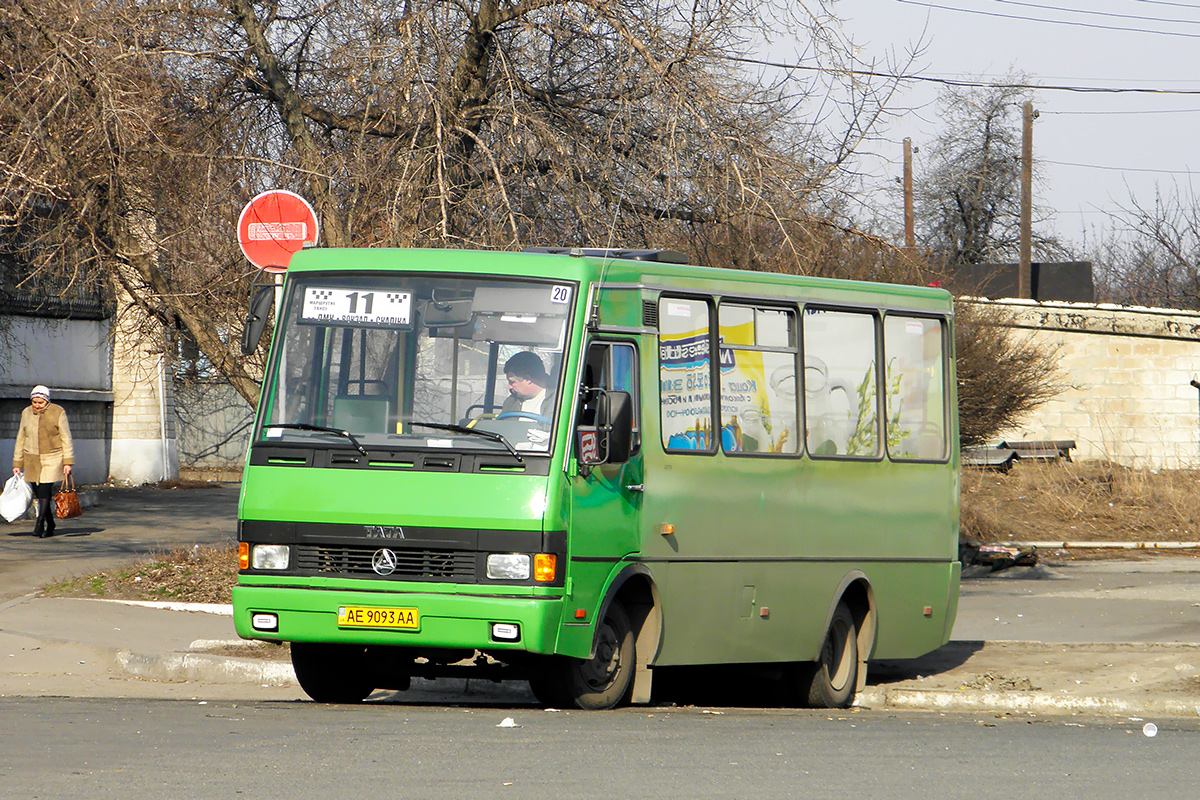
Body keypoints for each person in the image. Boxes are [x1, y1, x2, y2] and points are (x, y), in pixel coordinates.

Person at [12, 385, 74, 538]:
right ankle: (50, 524)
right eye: (34, 402)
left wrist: (67, 462)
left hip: (52, 457)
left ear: (47, 401)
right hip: (31, 457)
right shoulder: (26, 413)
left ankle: (39, 523)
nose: (37, 405)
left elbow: (66, 438)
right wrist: (17, 463)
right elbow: (21, 438)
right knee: (38, 492)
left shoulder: (58, 412)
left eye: (40, 402)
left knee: (45, 490)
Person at [500, 351, 555, 417]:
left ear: (528, 379)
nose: (509, 387)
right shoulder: (511, 402)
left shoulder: (557, 401)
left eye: (512, 382)